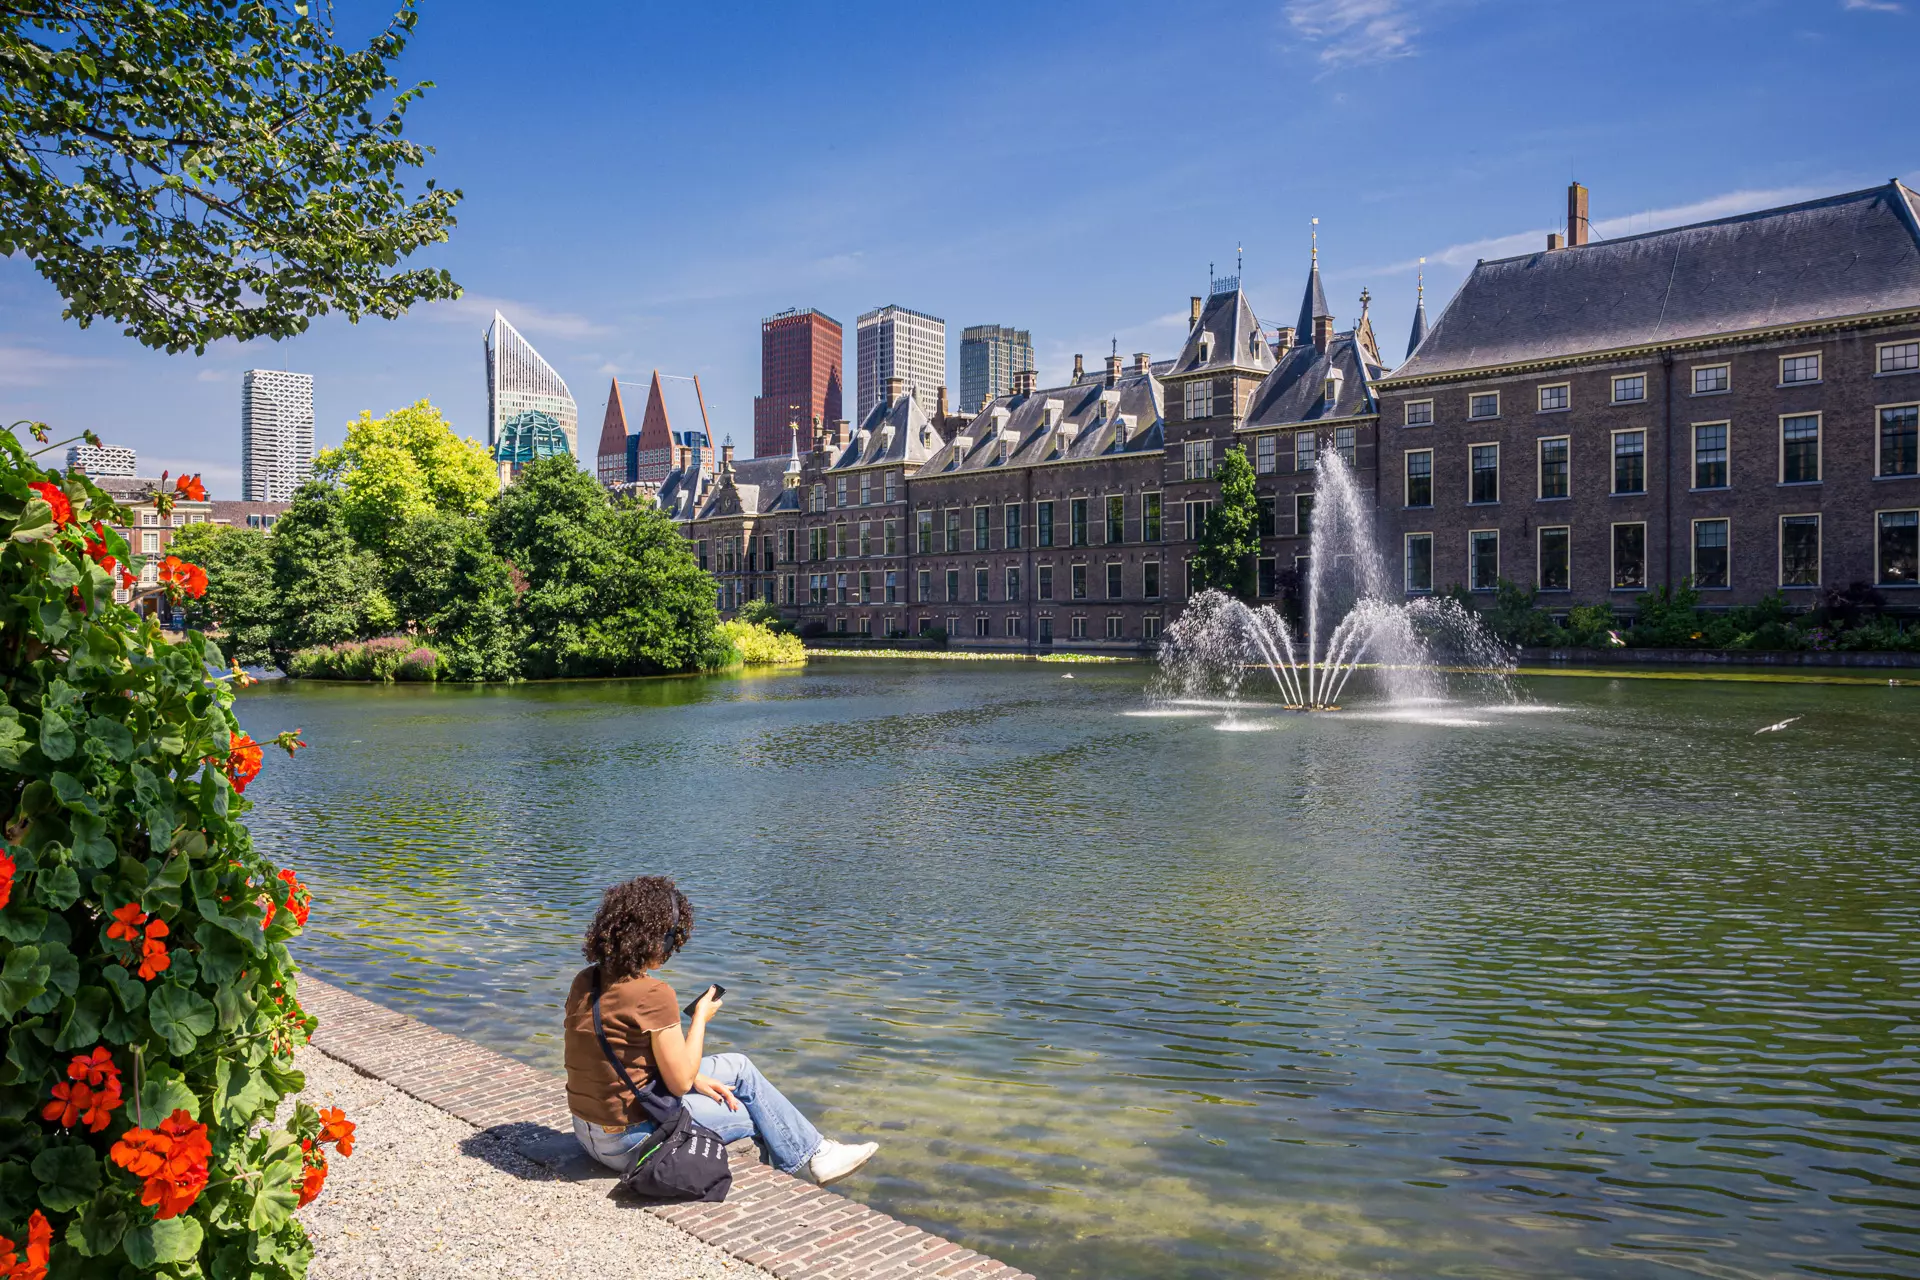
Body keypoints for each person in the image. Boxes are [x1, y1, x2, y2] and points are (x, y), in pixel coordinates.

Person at [563, 875, 878, 1185]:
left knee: (738, 1067)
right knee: (758, 1116)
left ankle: (818, 1151)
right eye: (672, 938)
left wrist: (697, 1079)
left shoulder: (586, 979)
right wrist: (700, 1018)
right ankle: (794, 1172)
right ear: (658, 938)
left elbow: (620, 1056)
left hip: (587, 1134)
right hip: (629, 1145)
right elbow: (679, 1082)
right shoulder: (653, 994)